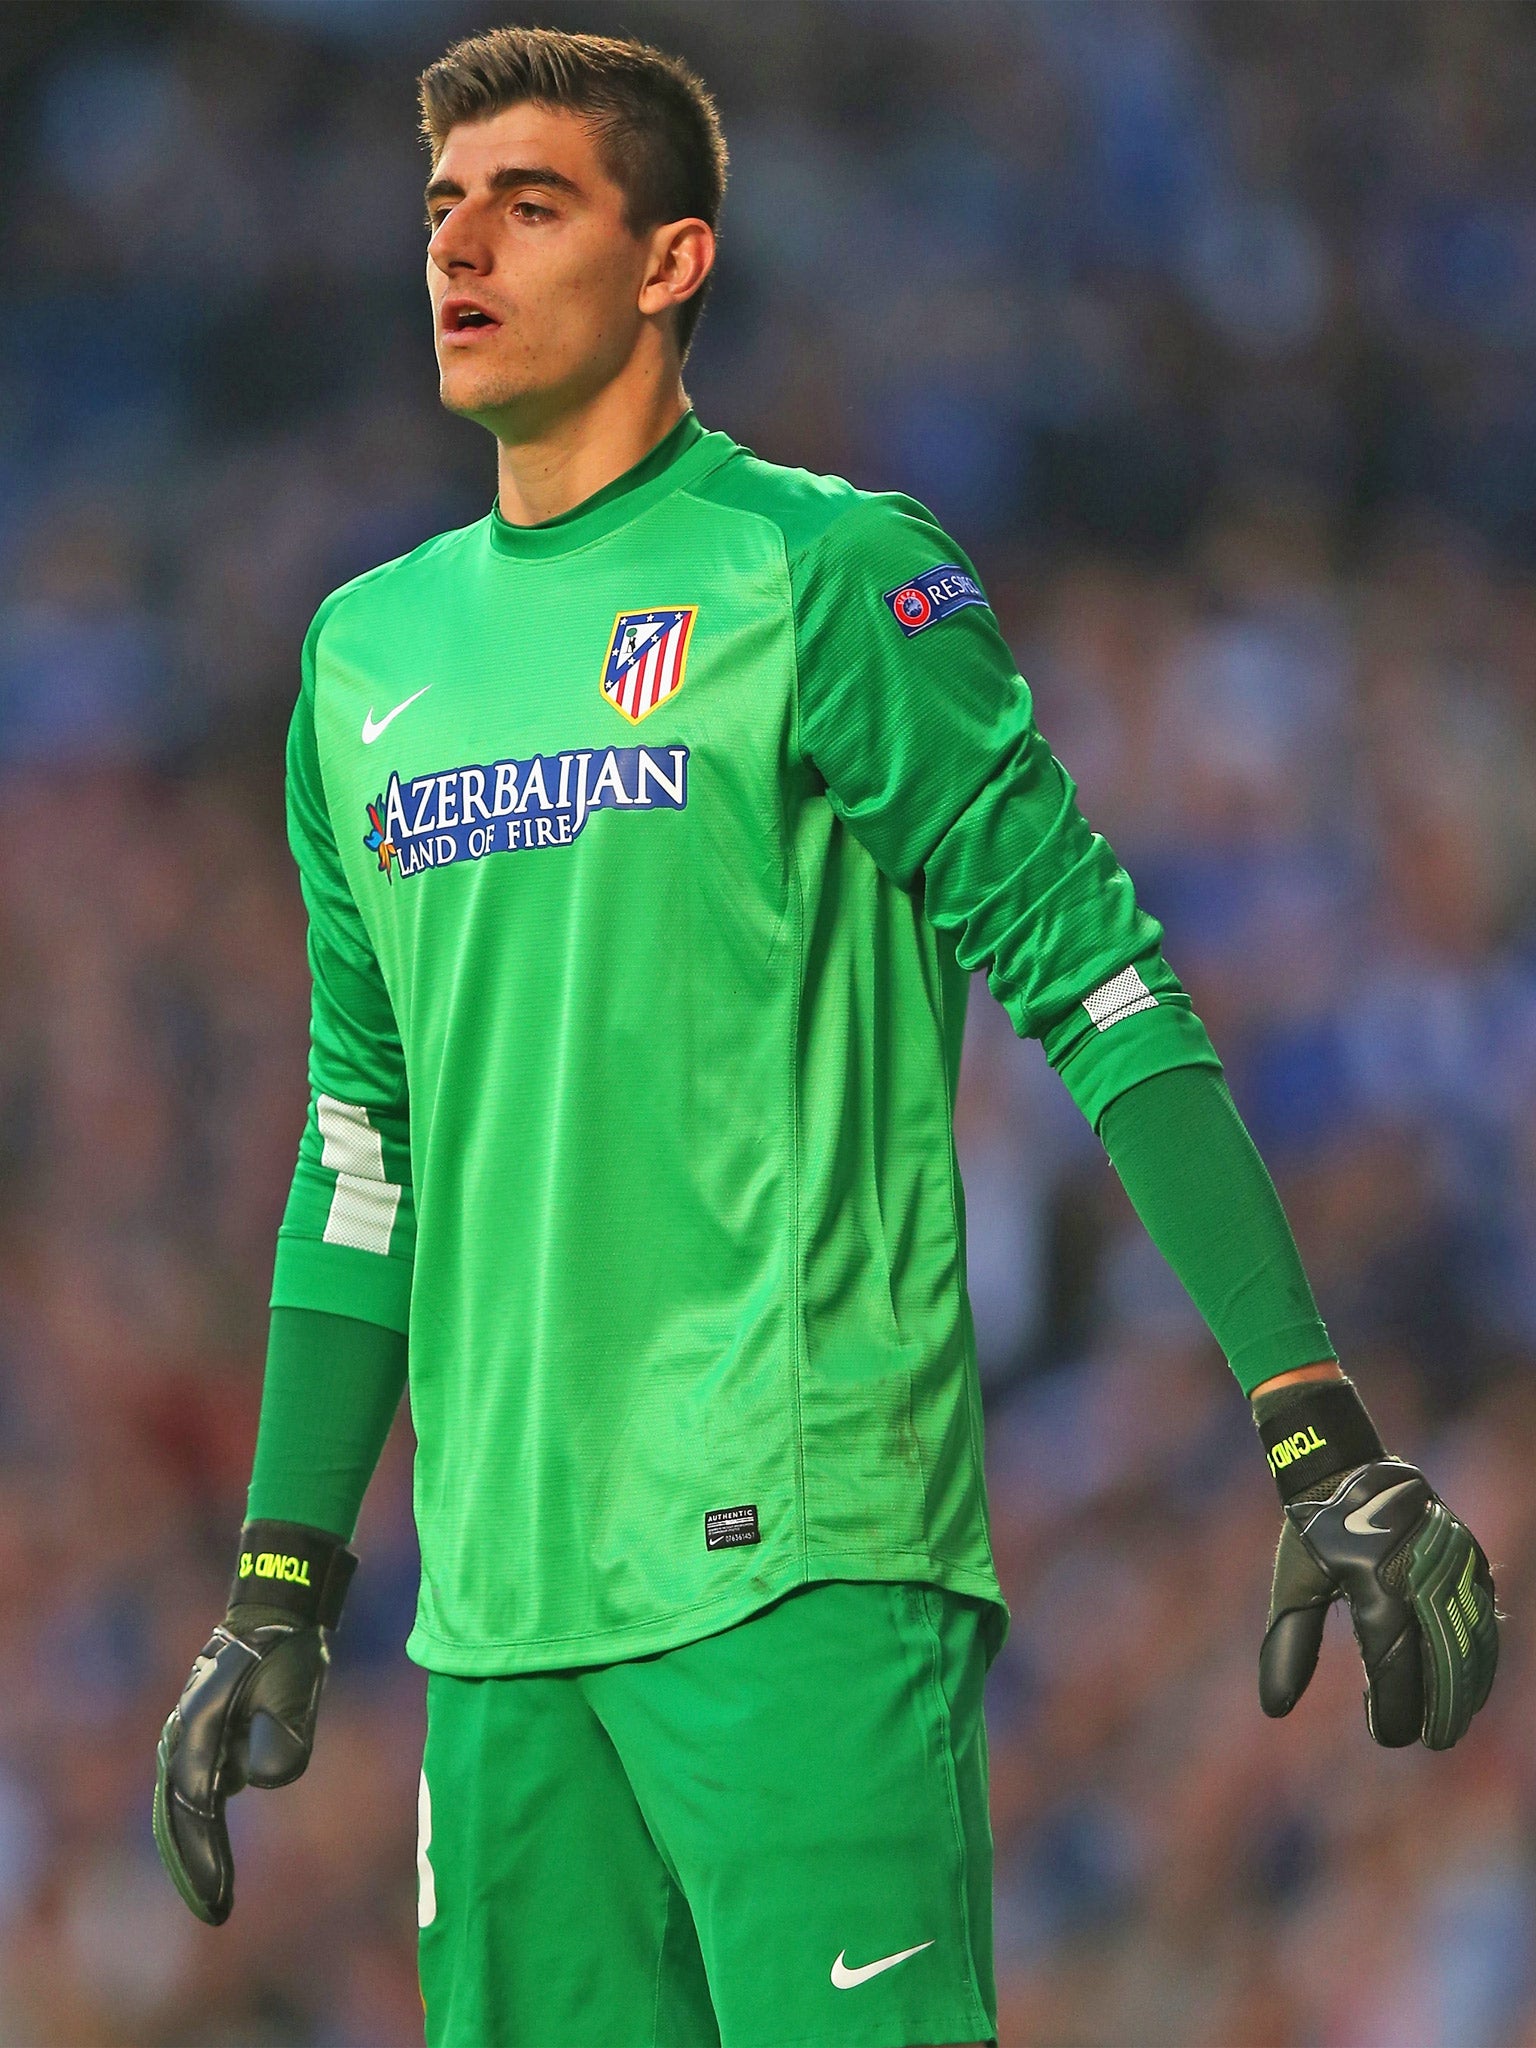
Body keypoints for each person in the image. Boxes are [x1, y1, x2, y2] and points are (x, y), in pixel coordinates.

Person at [152, 27, 1498, 2048]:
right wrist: (281, 1574)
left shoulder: (829, 578)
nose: (463, 248)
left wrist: (1312, 1423)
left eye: (531, 205)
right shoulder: (364, 661)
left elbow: (1102, 983)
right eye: (441, 207)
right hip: (503, 1615)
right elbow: (365, 1148)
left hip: (799, 1564)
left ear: (674, 258)